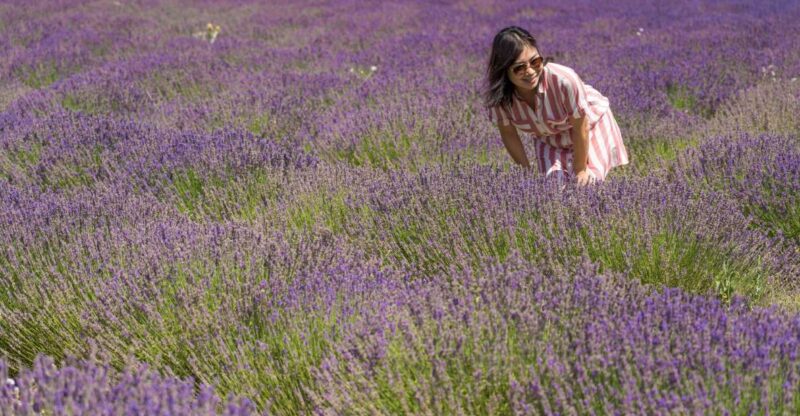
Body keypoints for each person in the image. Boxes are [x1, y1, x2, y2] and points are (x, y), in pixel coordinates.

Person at [484, 26, 629, 185]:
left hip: (590, 125)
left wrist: (580, 169)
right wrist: (526, 173)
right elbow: (508, 134)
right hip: (549, 138)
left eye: (535, 61)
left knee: (587, 185)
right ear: (504, 70)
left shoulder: (563, 81)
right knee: (553, 188)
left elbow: (581, 125)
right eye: (520, 68)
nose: (530, 71)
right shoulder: (499, 99)